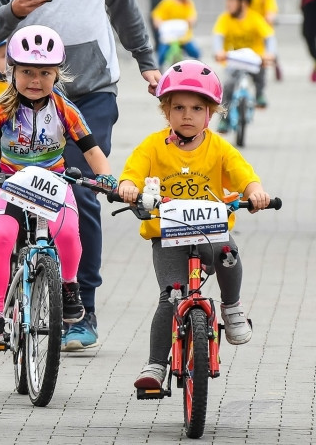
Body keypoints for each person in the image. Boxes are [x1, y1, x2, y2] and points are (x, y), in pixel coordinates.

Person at [0, 0, 161, 350]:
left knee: (80, 192)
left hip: (91, 91)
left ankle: (80, 308)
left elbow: (125, 11)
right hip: (26, 96)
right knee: (14, 198)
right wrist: (14, 11)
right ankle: (12, 292)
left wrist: (146, 63)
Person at [116, 60, 272, 389]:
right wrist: (128, 187)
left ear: (210, 113)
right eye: (179, 108)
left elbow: (244, 176)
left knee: (228, 253)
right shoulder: (152, 146)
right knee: (171, 296)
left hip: (210, 232)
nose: (188, 115)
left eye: (197, 108)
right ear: (166, 110)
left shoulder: (219, 148)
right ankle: (155, 365)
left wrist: (255, 192)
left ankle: (232, 306)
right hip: (168, 236)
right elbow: (132, 173)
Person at [0, 25, 117, 344]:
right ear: (12, 71)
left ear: (57, 74)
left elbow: (92, 150)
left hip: (53, 185)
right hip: (11, 185)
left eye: (45, 73)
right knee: (1, 237)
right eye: (27, 72)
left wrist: (106, 176)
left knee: (69, 234)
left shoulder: (65, 109)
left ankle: (69, 287)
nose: (35, 80)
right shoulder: (1, 107)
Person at [213, 0, 276, 118]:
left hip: (254, 59)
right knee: (228, 85)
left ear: (244, 1)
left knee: (260, 73)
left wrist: (270, 53)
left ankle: (260, 94)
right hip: (234, 60)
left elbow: (269, 37)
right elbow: (218, 36)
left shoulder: (255, 18)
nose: (227, 3)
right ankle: (224, 118)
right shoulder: (224, 19)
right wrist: (218, 51)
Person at [152, 0, 200, 67]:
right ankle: (158, 69)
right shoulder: (167, 3)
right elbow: (157, 15)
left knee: (195, 52)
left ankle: (197, 68)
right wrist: (158, 23)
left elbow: (192, 16)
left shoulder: (188, 3)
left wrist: (191, 21)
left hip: (184, 37)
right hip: (168, 38)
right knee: (161, 55)